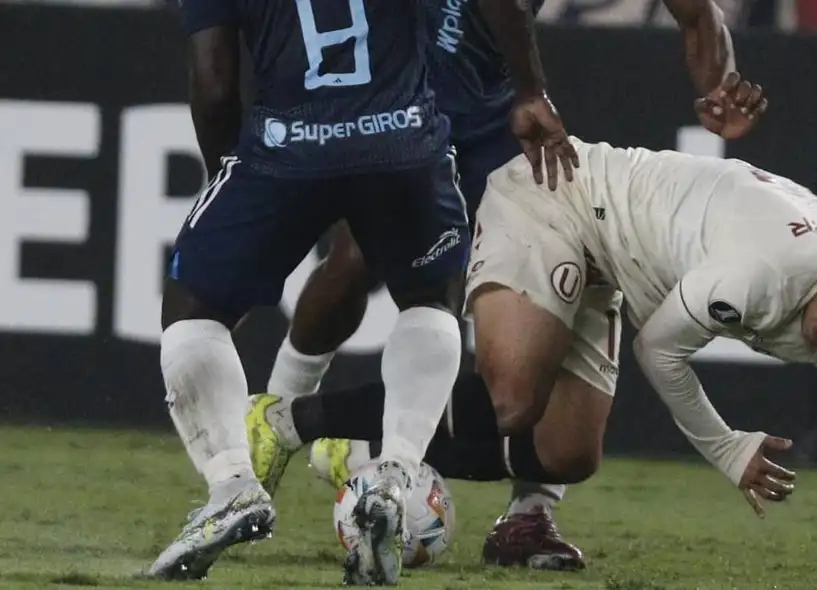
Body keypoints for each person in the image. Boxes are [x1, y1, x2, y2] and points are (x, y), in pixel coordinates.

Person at [253, 88, 817, 588]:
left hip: (618, 261)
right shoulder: (760, 273)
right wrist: (726, 447)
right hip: (560, 198)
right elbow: (661, 350)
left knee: (567, 453)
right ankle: (286, 420)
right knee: (513, 403)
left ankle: (362, 447)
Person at [258, 0, 740, 571]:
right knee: (359, 256)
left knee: (562, 243)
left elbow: (699, 16)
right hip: (416, 75)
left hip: (495, 96)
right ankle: (270, 417)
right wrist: (532, 91)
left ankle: (528, 513)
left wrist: (721, 87)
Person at [149, 0, 575, 584]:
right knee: (430, 300)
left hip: (286, 146)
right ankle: (395, 473)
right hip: (401, 141)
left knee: (192, 310)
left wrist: (236, 178)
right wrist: (529, 90)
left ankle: (232, 484)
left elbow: (217, 86)